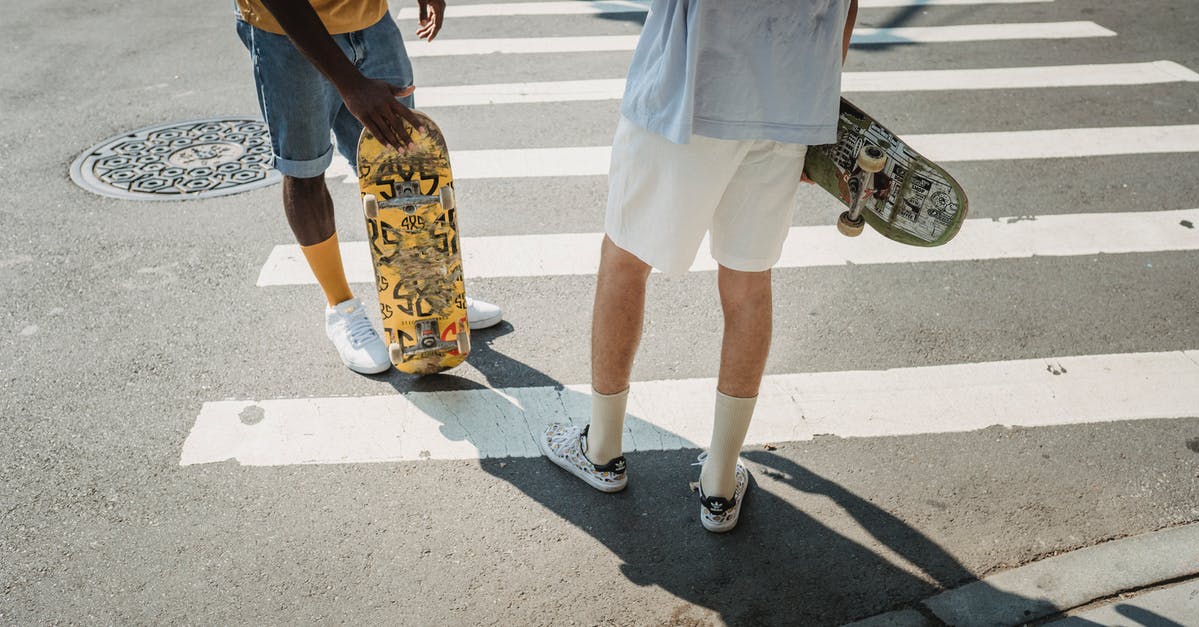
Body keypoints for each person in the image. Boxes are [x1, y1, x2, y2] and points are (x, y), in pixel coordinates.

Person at [540, 0, 859, 533]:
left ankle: (602, 449)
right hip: (789, 104)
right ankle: (719, 481)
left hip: (692, 90)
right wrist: (815, 110)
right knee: (748, 282)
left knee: (624, 261)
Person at [235, 0, 503, 375]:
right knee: (305, 170)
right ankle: (341, 308)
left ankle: (432, 293)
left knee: (404, 166)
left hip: (371, 21)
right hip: (286, 33)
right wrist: (350, 84)